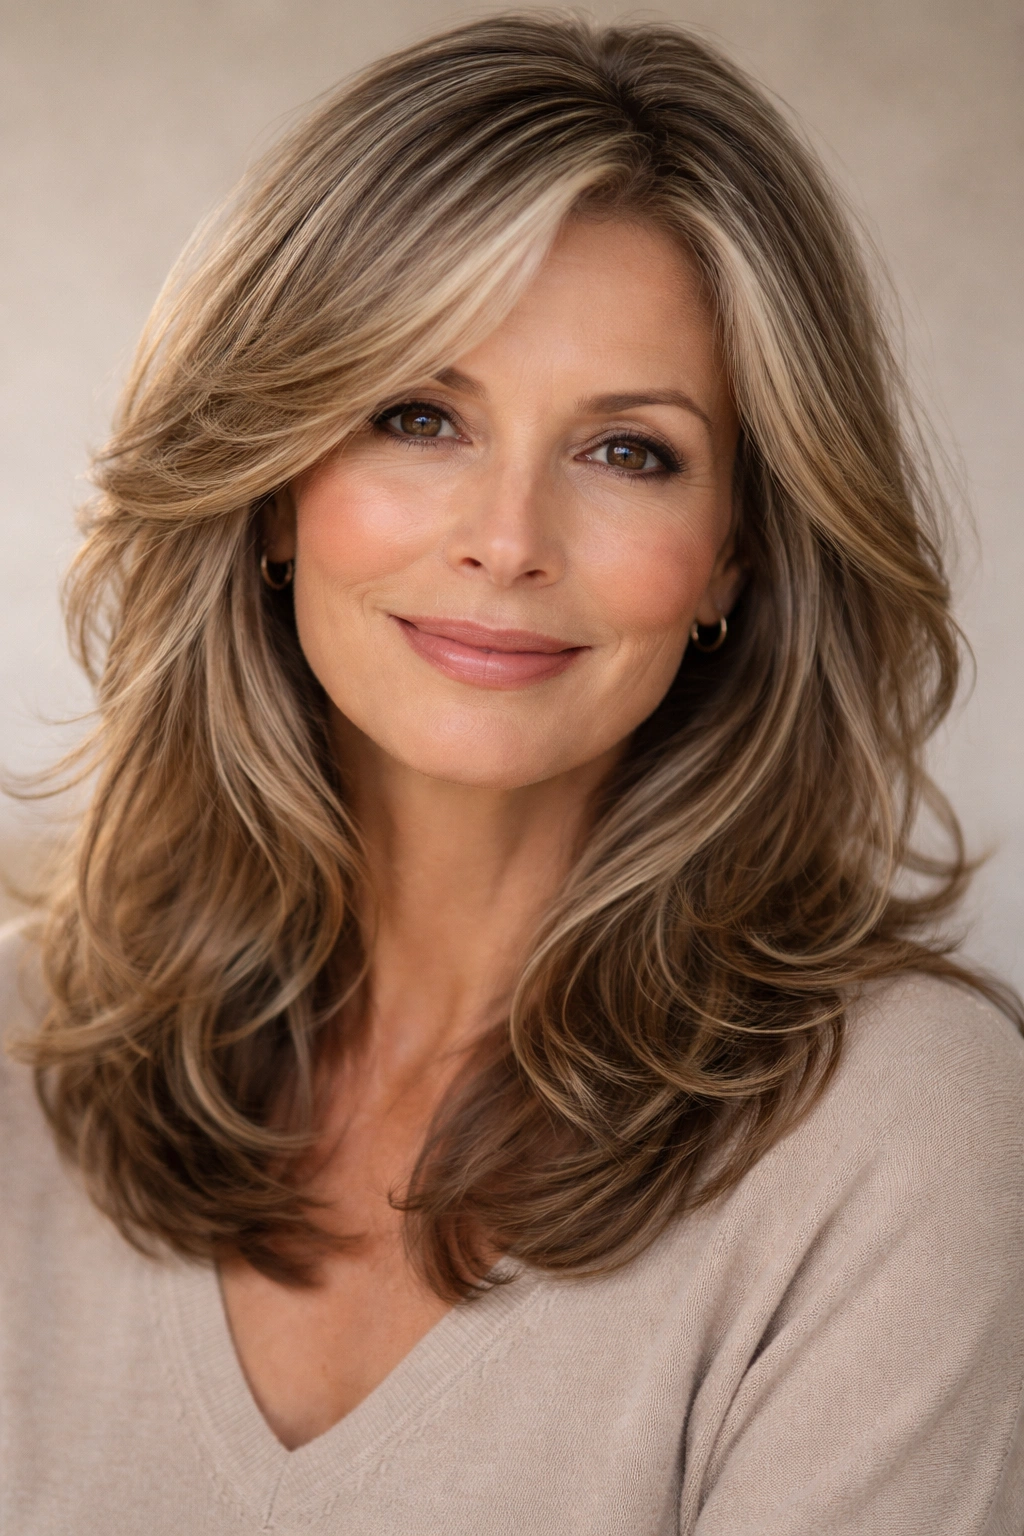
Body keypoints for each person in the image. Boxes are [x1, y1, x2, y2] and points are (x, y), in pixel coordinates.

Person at [1, 14, 1021, 1533]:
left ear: (737, 550)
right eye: (419, 415)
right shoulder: (27, 1053)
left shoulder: (898, 1133)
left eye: (631, 452)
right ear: (275, 490)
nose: (509, 539)